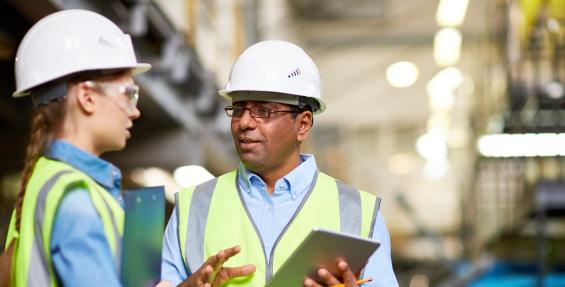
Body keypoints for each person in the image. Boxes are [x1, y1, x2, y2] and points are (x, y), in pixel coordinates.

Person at [161, 40, 398, 287]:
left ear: (303, 124)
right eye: (239, 109)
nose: (245, 123)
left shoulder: (358, 212)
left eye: (263, 111)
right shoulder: (193, 208)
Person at [0, 9, 151, 286]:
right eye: (130, 94)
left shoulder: (42, 182)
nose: (135, 111)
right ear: (87, 97)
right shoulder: (76, 200)